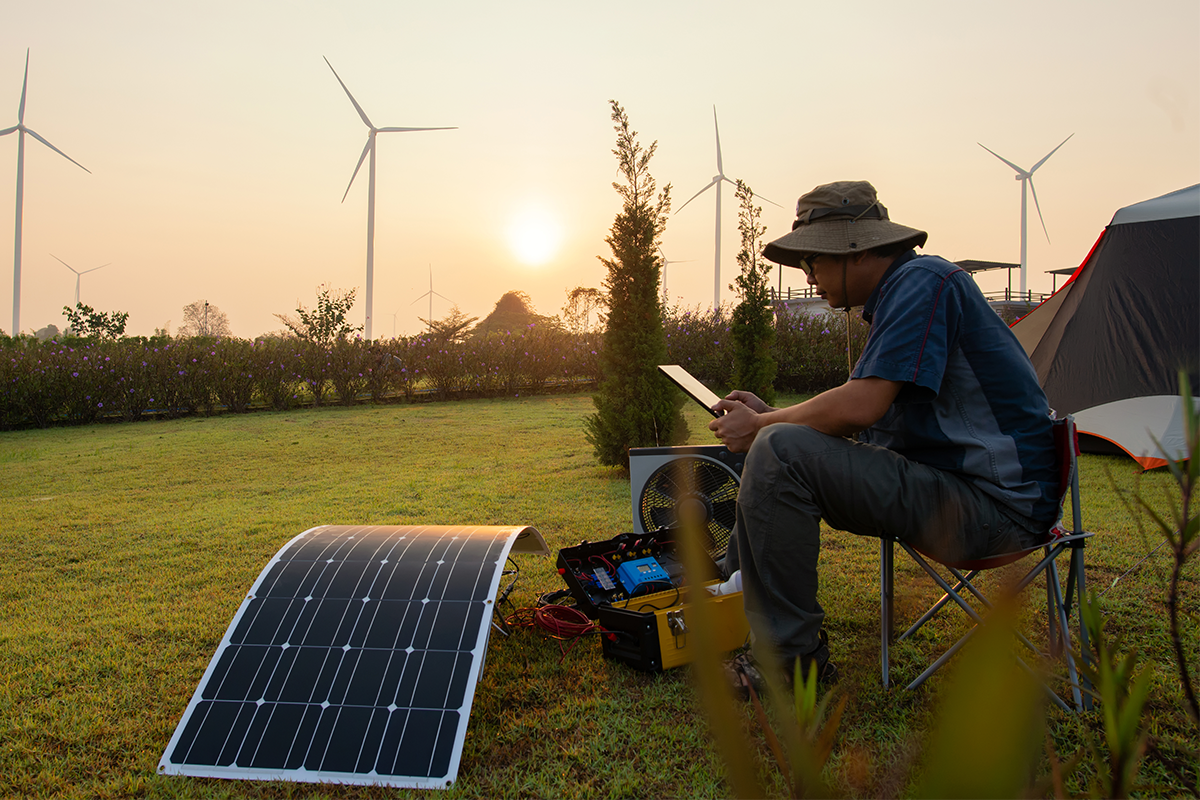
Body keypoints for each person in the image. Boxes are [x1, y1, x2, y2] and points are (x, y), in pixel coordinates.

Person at [710, 180, 1058, 689]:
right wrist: (776, 415)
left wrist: (764, 425)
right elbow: (873, 418)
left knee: (779, 450)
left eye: (814, 261)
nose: (808, 277)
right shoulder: (905, 292)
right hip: (963, 494)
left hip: (992, 511)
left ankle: (787, 663)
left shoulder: (923, 282)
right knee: (779, 446)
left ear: (858, 250)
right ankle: (727, 586)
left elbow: (861, 405)